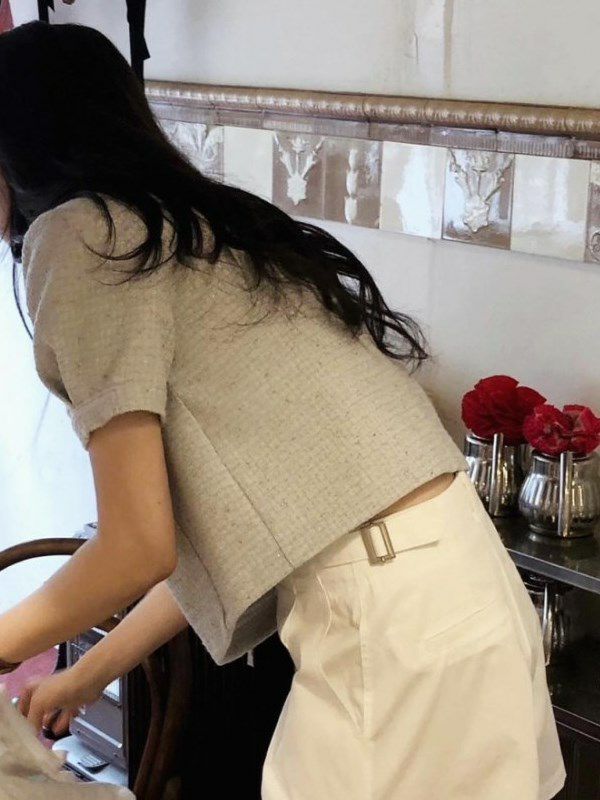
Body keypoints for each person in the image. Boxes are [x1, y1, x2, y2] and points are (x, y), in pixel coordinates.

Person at [0, 20, 565, 800]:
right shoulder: (206, 225)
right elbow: (203, 544)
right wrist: (88, 671)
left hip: (389, 619)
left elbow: (136, 547)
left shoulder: (80, 238)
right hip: (465, 587)